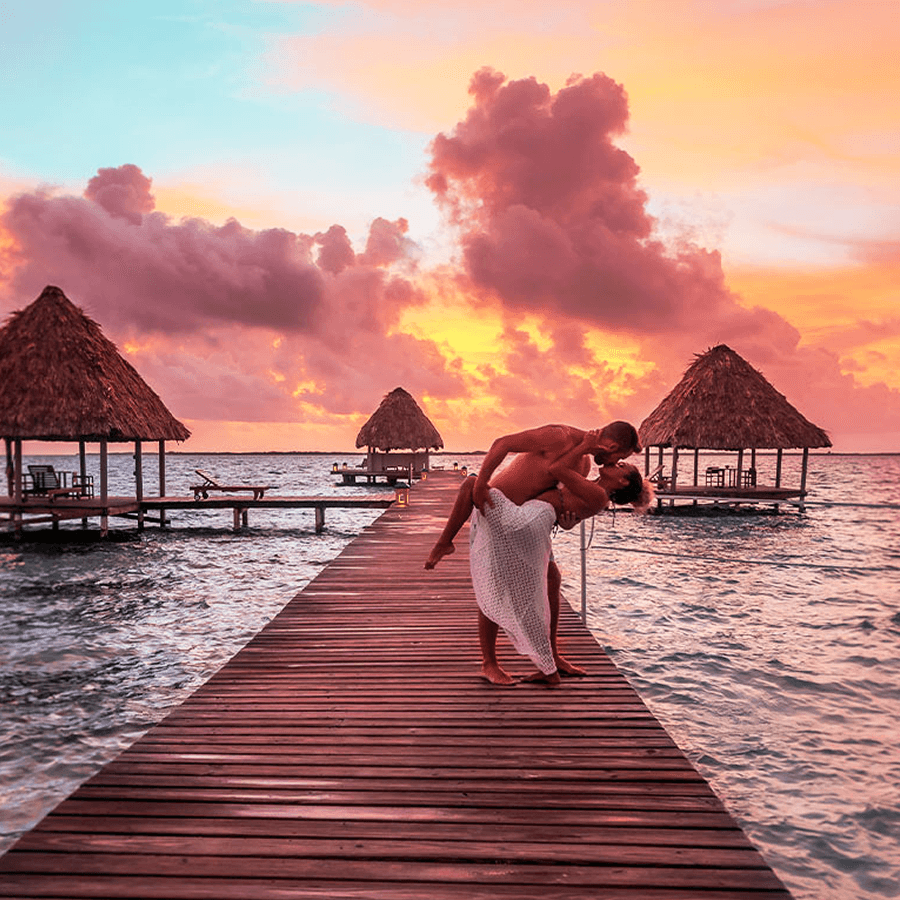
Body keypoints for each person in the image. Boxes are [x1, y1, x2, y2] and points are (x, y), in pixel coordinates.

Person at [426, 423, 647, 684]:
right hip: (501, 508)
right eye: (619, 458)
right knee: (494, 583)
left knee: (552, 580)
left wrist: (567, 522)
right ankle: (490, 662)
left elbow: (567, 502)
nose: (615, 461)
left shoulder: (584, 464)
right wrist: (482, 484)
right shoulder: (558, 436)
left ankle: (551, 657)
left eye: (620, 463)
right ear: (611, 447)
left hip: (530, 521)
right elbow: (501, 443)